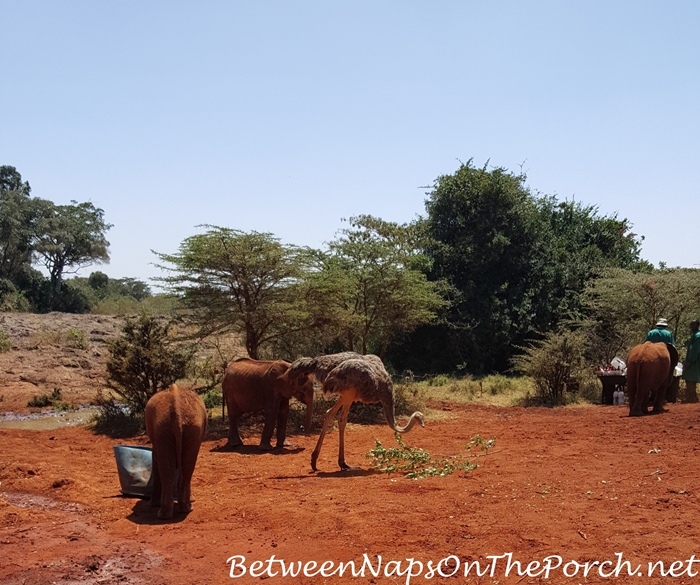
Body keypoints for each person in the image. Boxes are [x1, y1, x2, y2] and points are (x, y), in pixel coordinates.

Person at [682, 320, 700, 403]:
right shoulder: (695, 335)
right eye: (691, 325)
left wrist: (689, 361)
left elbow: (695, 350)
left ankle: (692, 397)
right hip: (693, 361)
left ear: (697, 325)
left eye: (693, 325)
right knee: (691, 378)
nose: (691, 326)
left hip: (695, 362)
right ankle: (693, 396)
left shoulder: (698, 336)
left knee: (690, 378)